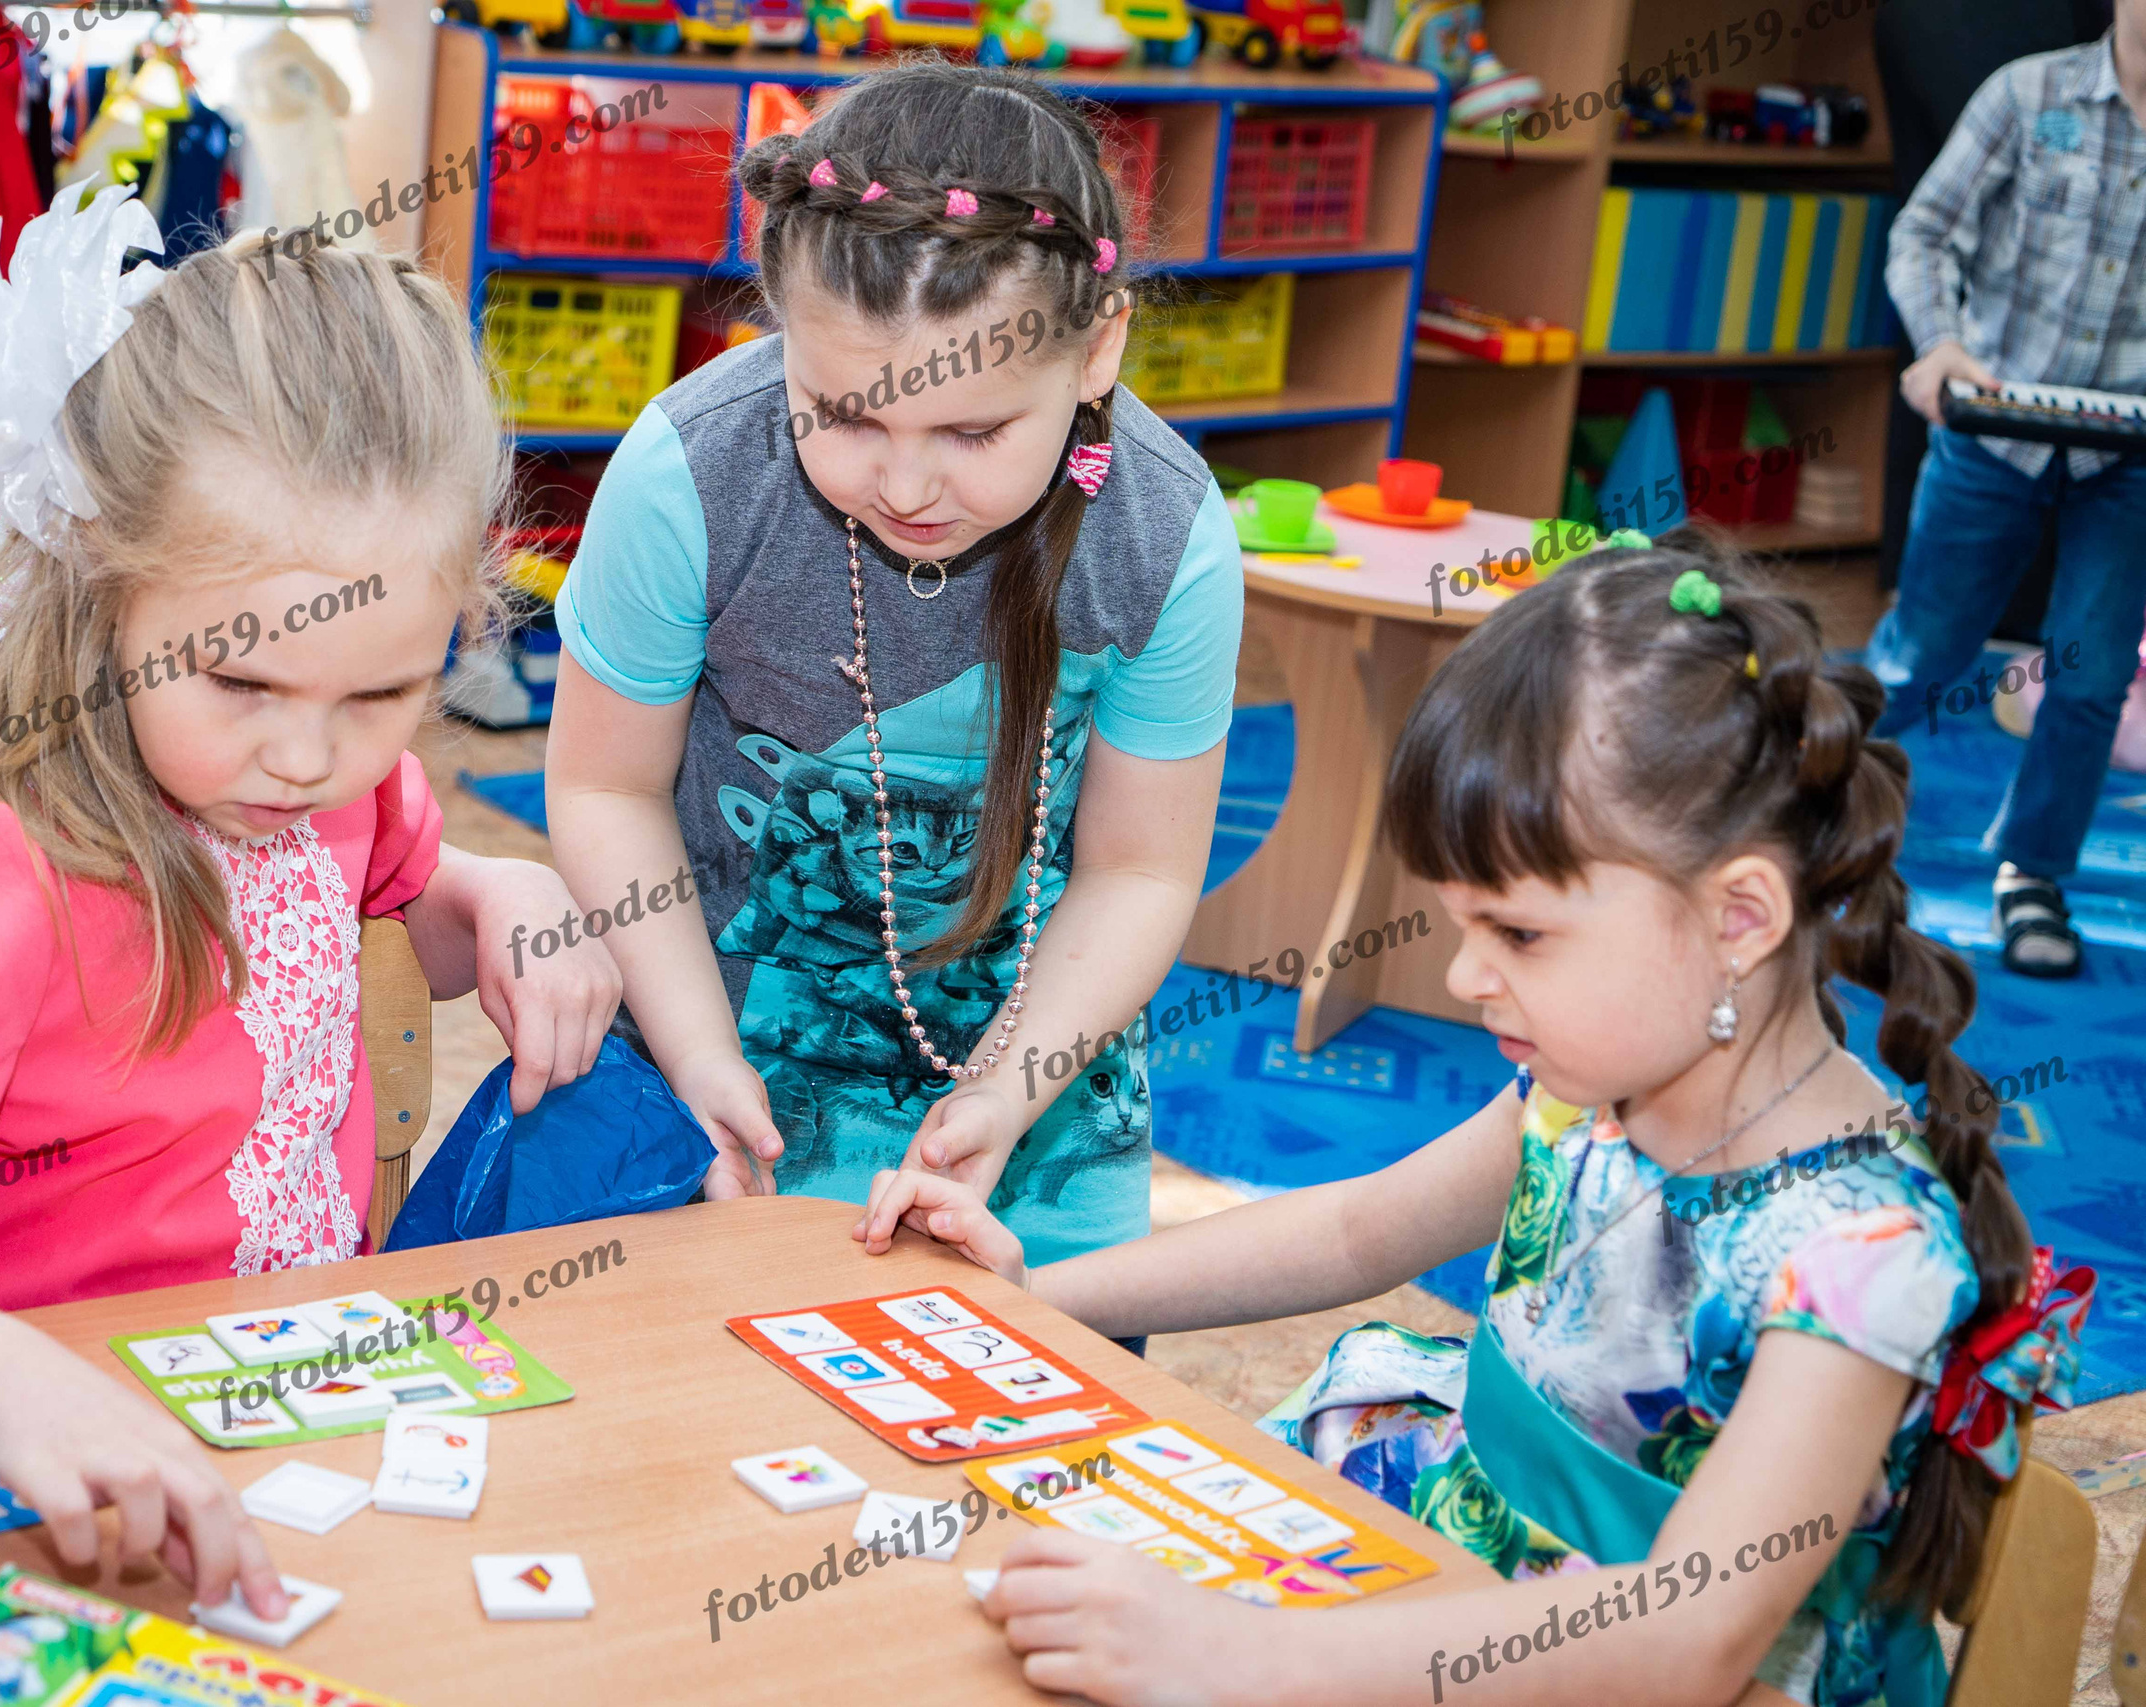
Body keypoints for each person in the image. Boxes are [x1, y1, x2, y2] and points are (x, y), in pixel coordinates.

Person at [859, 549, 2090, 1707]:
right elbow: (1354, 1232)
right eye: (1460, 925)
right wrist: (1037, 1300)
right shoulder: (1588, 1092)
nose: (1461, 979)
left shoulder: (1862, 1255)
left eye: (1519, 934)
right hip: (1461, 1566)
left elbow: (1688, 1637)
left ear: (1739, 920)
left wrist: (1246, 1654)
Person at [0, 184, 619, 1620]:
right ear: (102, 580)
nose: (307, 756)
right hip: (7, 1510)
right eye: (240, 679)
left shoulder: (320, 785)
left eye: (385, 693)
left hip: (274, 1459)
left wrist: (504, 885)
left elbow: (414, 902)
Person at [544, 63, 1241, 1274]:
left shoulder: (1163, 536)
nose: (907, 487)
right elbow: (608, 787)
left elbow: (1137, 867)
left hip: (1036, 1083)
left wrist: (1009, 1090)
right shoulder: (689, 474)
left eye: (973, 432)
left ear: (1097, 350)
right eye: (846, 415)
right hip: (715, 1048)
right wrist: (698, 1053)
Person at [1869, 0, 2146, 977]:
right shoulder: (2026, 96)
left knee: (2090, 678)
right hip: (1992, 436)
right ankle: (1794, 811)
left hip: (2128, 457)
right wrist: (1940, 344)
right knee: (1919, 658)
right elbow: (1924, 234)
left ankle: (2033, 872)